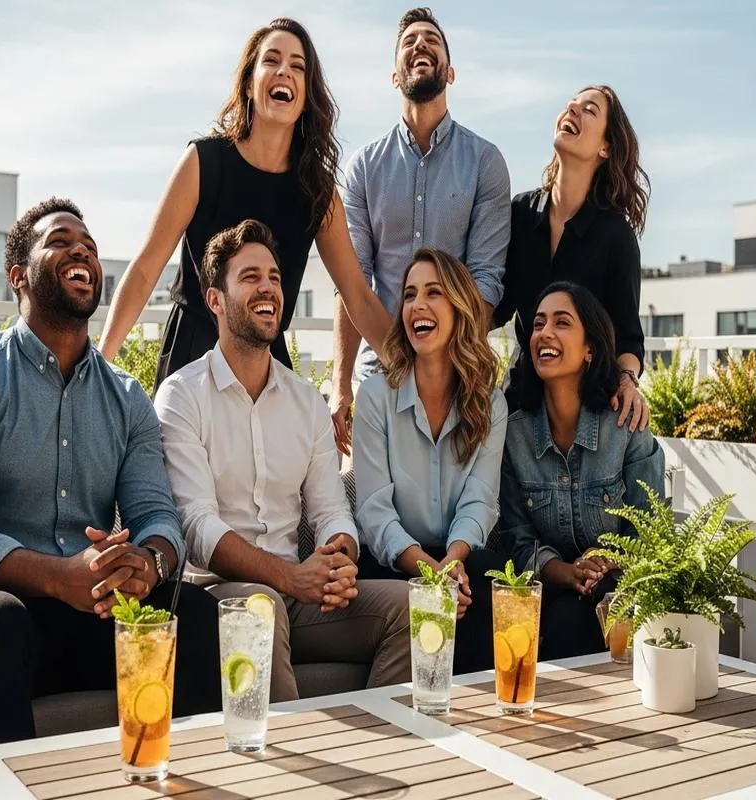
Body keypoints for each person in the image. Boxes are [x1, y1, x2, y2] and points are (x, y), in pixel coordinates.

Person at [0, 198, 221, 750]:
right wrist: (59, 576)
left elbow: (157, 515)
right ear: (19, 276)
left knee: (196, 613)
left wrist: (147, 565)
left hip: (95, 611)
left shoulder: (127, 398)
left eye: (90, 245)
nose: (81, 249)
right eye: (59, 240)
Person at [155, 219, 411, 702]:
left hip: (297, 594)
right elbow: (196, 526)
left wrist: (338, 560)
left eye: (274, 277)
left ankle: (378, 745)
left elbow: (332, 510)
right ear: (215, 300)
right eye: (250, 277)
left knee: (414, 607)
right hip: (215, 595)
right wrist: (289, 576)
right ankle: (290, 767)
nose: (268, 287)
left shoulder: (305, 402)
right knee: (261, 606)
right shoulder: (181, 396)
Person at [98, 17, 392, 390]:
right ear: (250, 85)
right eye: (272, 60)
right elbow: (144, 270)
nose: (284, 70)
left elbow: (359, 298)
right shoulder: (203, 162)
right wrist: (100, 363)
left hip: (267, 367)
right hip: (193, 359)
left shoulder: (318, 189)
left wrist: (417, 375)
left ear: (305, 97)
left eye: (297, 66)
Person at [331, 6, 511, 453]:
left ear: (450, 72)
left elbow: (485, 280)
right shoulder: (363, 169)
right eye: (409, 41)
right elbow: (352, 284)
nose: (420, 44)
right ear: (395, 76)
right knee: (369, 506)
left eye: (431, 38)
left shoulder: (485, 163)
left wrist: (441, 362)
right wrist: (341, 382)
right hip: (380, 372)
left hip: (456, 374)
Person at [352, 248, 508, 674]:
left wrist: (452, 564)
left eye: (433, 293)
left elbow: (480, 500)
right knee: (426, 595)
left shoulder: (490, 402)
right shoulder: (374, 398)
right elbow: (374, 510)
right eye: (409, 295)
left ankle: (474, 720)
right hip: (393, 562)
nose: (416, 305)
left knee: (487, 580)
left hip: (459, 560)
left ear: (459, 308)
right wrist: (428, 572)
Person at [499, 281, 665, 660]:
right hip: (553, 584)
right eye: (539, 323)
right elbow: (517, 541)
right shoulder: (514, 434)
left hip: (623, 585)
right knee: (562, 619)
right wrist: (568, 572)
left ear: (590, 348)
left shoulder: (625, 425)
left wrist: (607, 561)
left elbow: (650, 531)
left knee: (574, 621)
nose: (545, 332)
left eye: (562, 322)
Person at [495, 85, 651, 429]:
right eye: (570, 105)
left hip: (589, 413)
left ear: (605, 147)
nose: (572, 110)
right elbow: (495, 307)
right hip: (519, 404)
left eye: (589, 110)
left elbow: (628, 337)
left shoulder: (617, 236)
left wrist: (628, 382)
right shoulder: (519, 213)